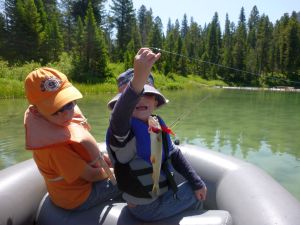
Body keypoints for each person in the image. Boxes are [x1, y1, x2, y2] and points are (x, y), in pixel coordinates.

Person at [106, 48, 207, 221]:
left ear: (155, 102)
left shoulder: (156, 123)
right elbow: (121, 113)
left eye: (148, 94)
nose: (140, 98)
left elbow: (174, 154)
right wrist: (139, 78)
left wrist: (196, 181)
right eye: (135, 95)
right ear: (121, 104)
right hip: (145, 208)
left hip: (160, 195)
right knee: (194, 196)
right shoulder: (121, 131)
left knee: (198, 187)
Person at [24, 67, 120, 210]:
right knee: (130, 180)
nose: (66, 114)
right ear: (36, 111)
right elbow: (91, 176)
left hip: (82, 184)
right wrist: (118, 172)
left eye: (68, 104)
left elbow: (89, 156)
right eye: (55, 110)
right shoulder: (55, 149)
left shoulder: (58, 126)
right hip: (78, 198)